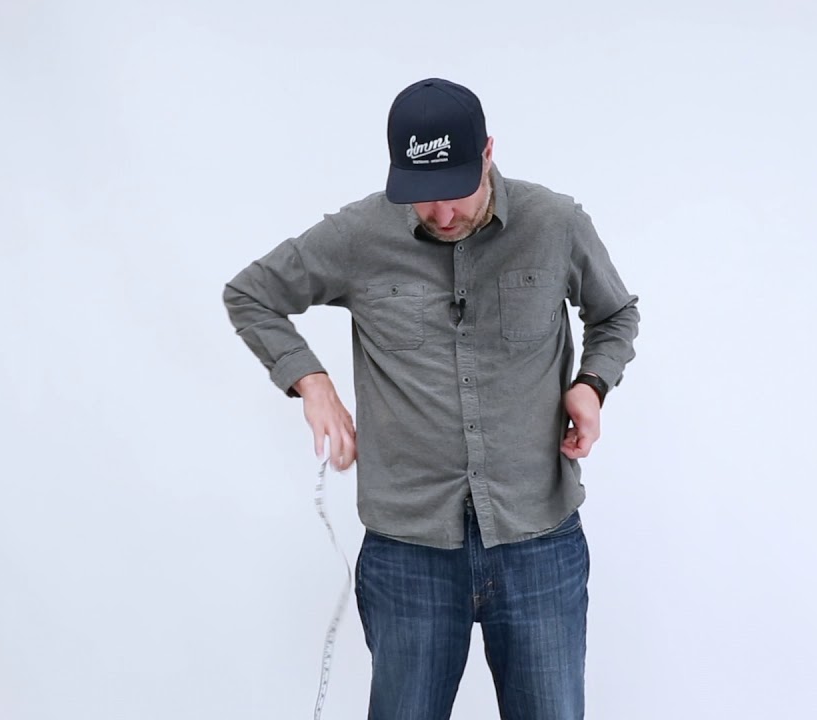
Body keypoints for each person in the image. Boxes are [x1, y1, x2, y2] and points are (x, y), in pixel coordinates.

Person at [222, 78, 640, 720]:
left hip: (538, 539)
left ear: (488, 153)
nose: (442, 213)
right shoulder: (360, 234)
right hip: (407, 549)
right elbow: (250, 294)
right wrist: (311, 381)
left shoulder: (555, 224)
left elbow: (615, 314)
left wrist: (592, 384)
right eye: (423, 196)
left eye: (455, 191)